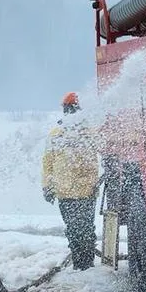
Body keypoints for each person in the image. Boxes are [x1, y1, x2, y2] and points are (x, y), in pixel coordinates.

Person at [41, 92, 102, 270]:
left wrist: (47, 187)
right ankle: (83, 264)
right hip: (81, 191)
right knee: (82, 229)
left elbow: (48, 163)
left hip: (73, 191)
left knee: (78, 229)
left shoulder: (63, 133)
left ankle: (83, 264)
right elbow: (48, 162)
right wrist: (47, 186)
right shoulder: (88, 132)